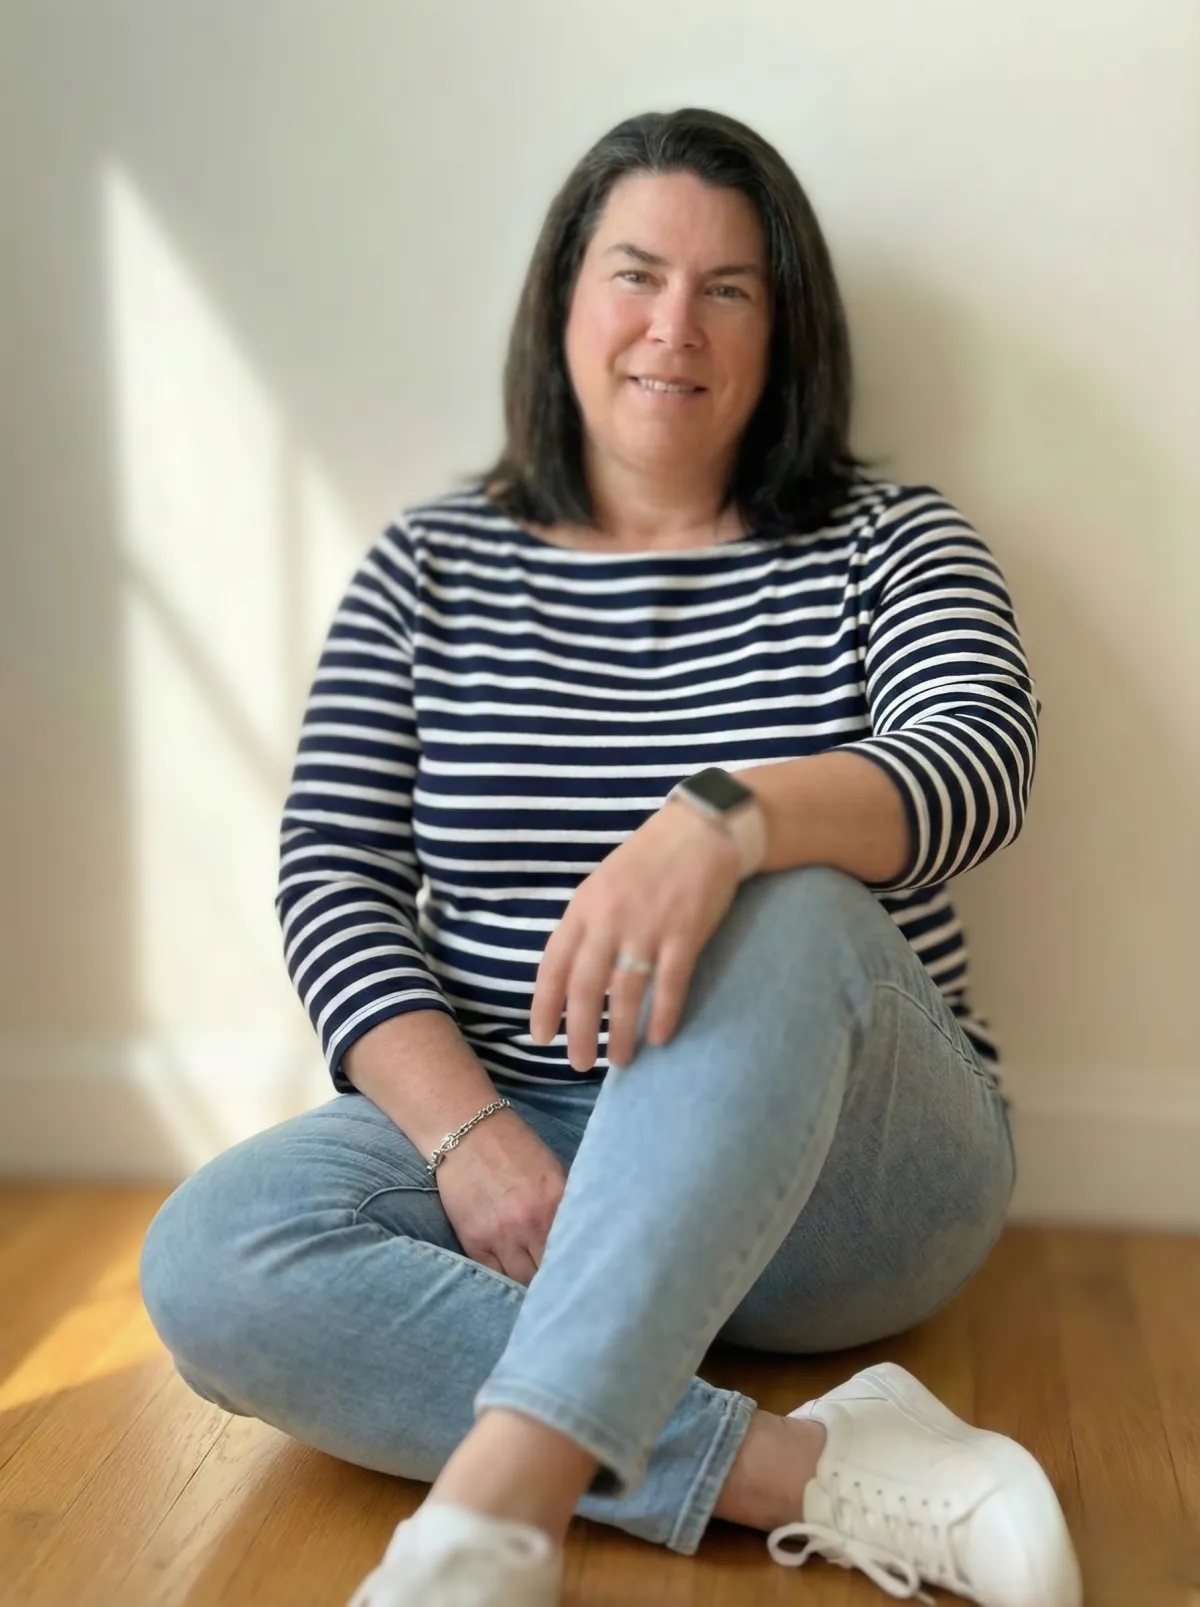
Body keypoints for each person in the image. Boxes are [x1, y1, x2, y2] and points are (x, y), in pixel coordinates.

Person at [139, 107, 1082, 1607]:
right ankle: (801, 1469)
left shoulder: (890, 540)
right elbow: (333, 873)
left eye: (728, 288)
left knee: (789, 901)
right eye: (635, 274)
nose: (672, 325)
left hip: (844, 1182)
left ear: (784, 328)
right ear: (564, 301)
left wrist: (726, 823)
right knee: (213, 1255)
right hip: (525, 1139)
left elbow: (982, 759)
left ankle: (492, 1520)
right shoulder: (428, 567)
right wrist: (469, 1139)